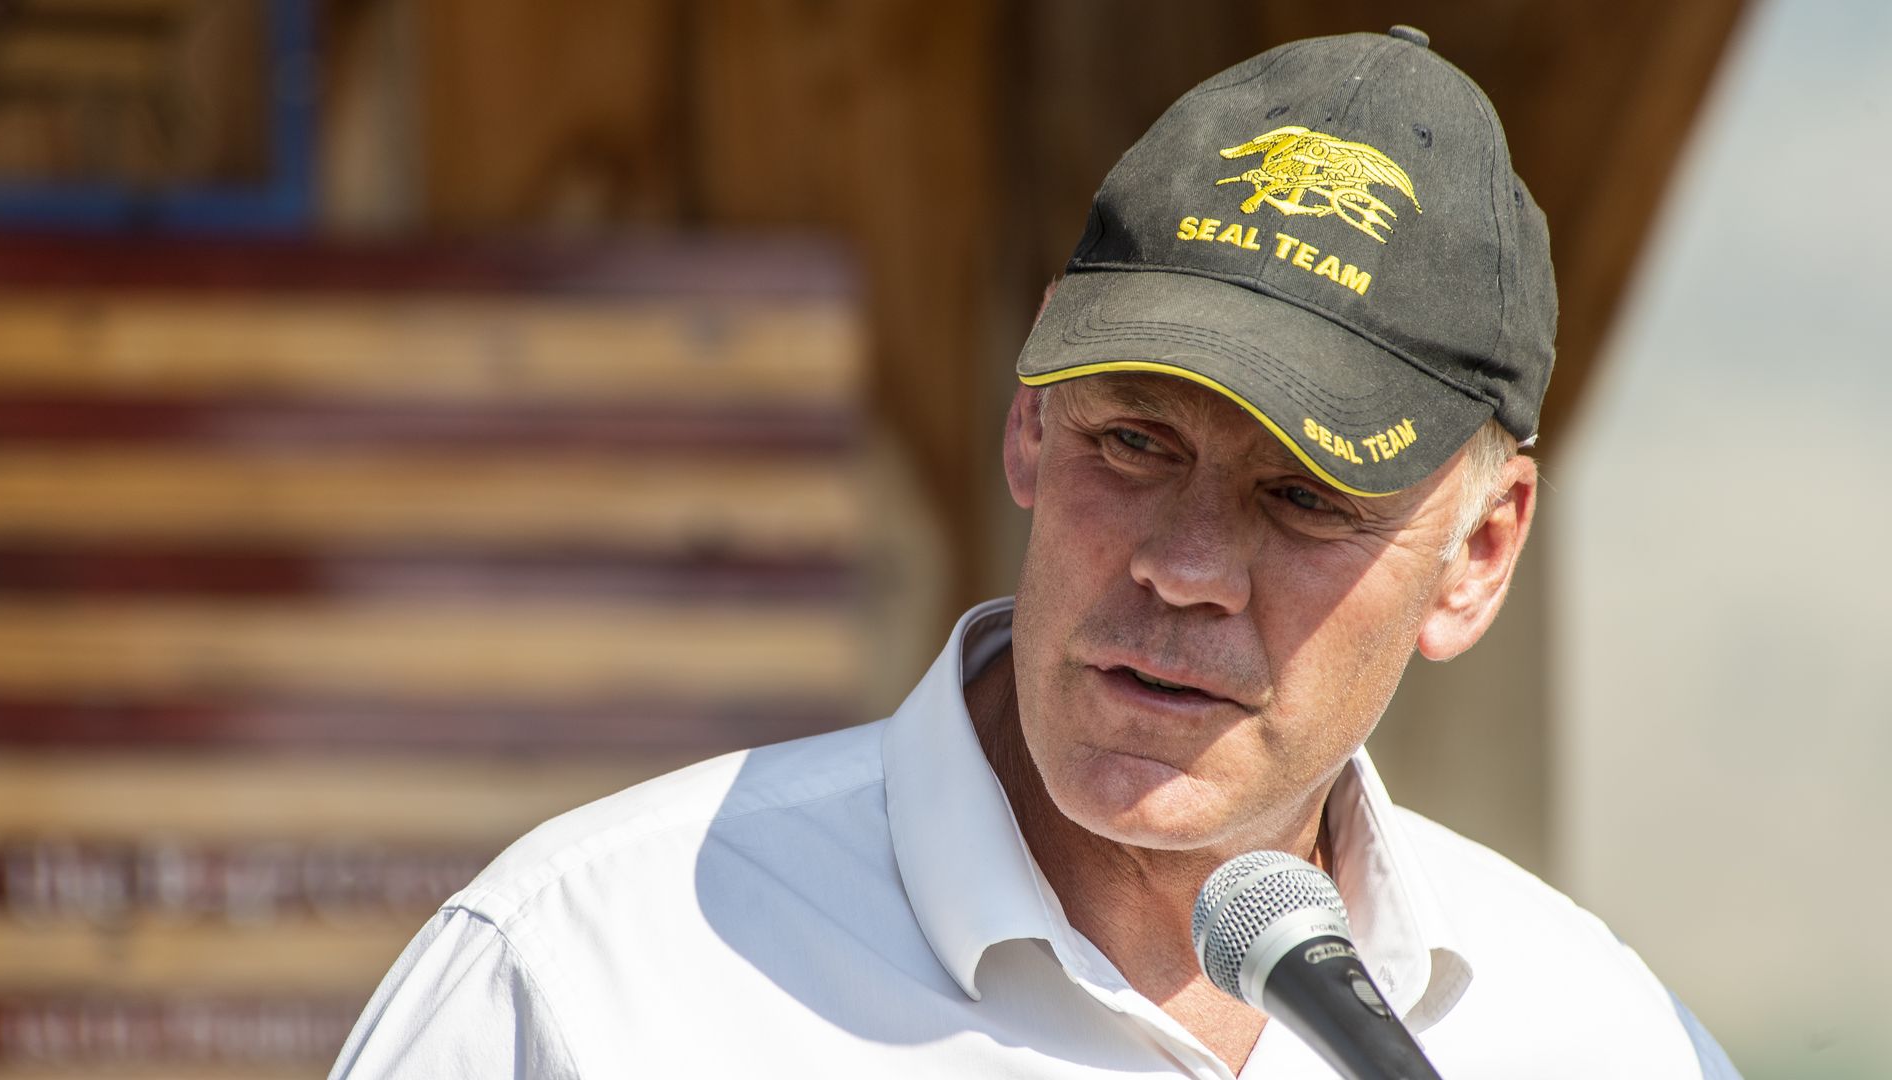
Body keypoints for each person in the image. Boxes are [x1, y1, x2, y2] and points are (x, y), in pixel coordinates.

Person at [329, 27, 1739, 1079]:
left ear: (1480, 551)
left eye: (1305, 496)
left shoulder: (1599, 1040)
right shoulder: (580, 982)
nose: (1188, 567)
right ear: (1030, 425)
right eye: (1134, 442)